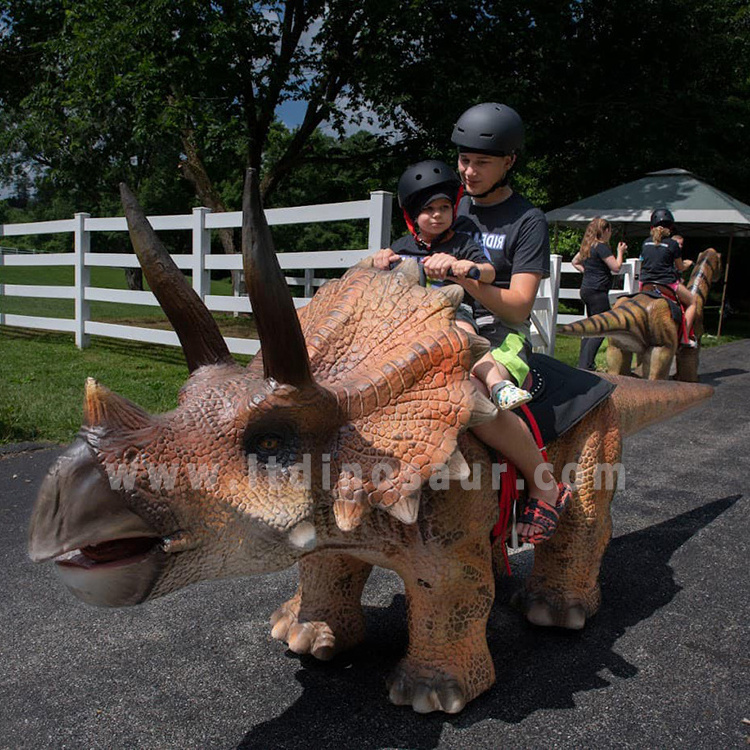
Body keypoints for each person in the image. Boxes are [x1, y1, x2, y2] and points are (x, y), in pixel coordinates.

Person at [448, 102, 571, 545]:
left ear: (509, 162)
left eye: (482, 162)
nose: (469, 171)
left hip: (502, 337)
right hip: (448, 327)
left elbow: (519, 307)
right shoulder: (453, 209)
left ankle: (544, 483)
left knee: (472, 398)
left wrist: (466, 276)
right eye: (464, 160)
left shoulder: (527, 220)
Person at [373, 160, 532, 410]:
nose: (437, 215)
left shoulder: (461, 243)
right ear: (413, 214)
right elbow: (378, 277)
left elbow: (489, 271)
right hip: (410, 317)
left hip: (453, 310)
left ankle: (497, 385)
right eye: (429, 209)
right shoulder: (402, 247)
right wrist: (380, 260)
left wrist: (466, 268)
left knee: (465, 338)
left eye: (444, 208)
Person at [571, 218, 627, 370]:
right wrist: (619, 252)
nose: (610, 234)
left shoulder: (588, 246)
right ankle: (586, 365)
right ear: (605, 230)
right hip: (597, 291)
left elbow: (574, 261)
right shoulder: (601, 247)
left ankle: (584, 364)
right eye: (610, 230)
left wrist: (588, 272)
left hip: (586, 290)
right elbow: (616, 267)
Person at [639, 209, 697, 346]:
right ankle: (685, 337)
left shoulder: (645, 243)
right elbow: (679, 267)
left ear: (652, 227)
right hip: (666, 284)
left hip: (645, 284)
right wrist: (687, 264)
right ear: (670, 228)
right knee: (693, 302)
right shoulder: (673, 244)